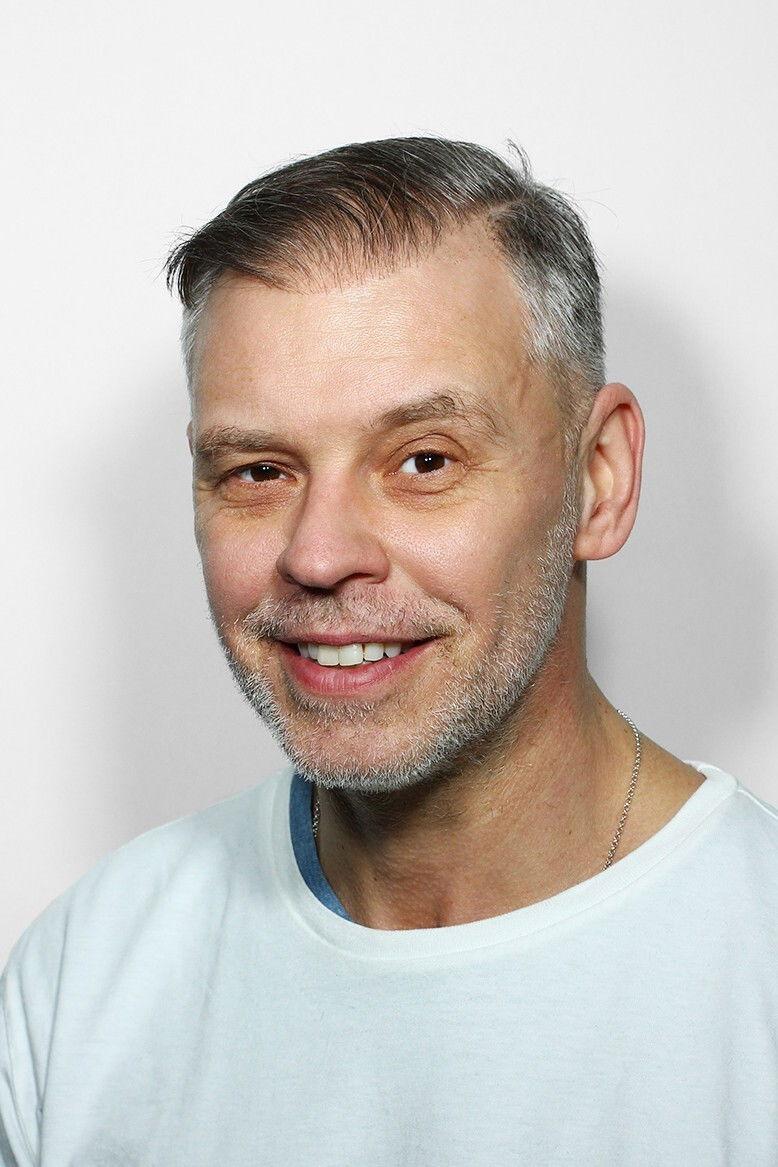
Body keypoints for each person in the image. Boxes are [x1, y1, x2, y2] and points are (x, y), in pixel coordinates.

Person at [2, 136, 776, 1166]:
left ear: (598, 477)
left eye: (422, 460)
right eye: (258, 471)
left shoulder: (756, 976)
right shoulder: (83, 982)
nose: (319, 556)